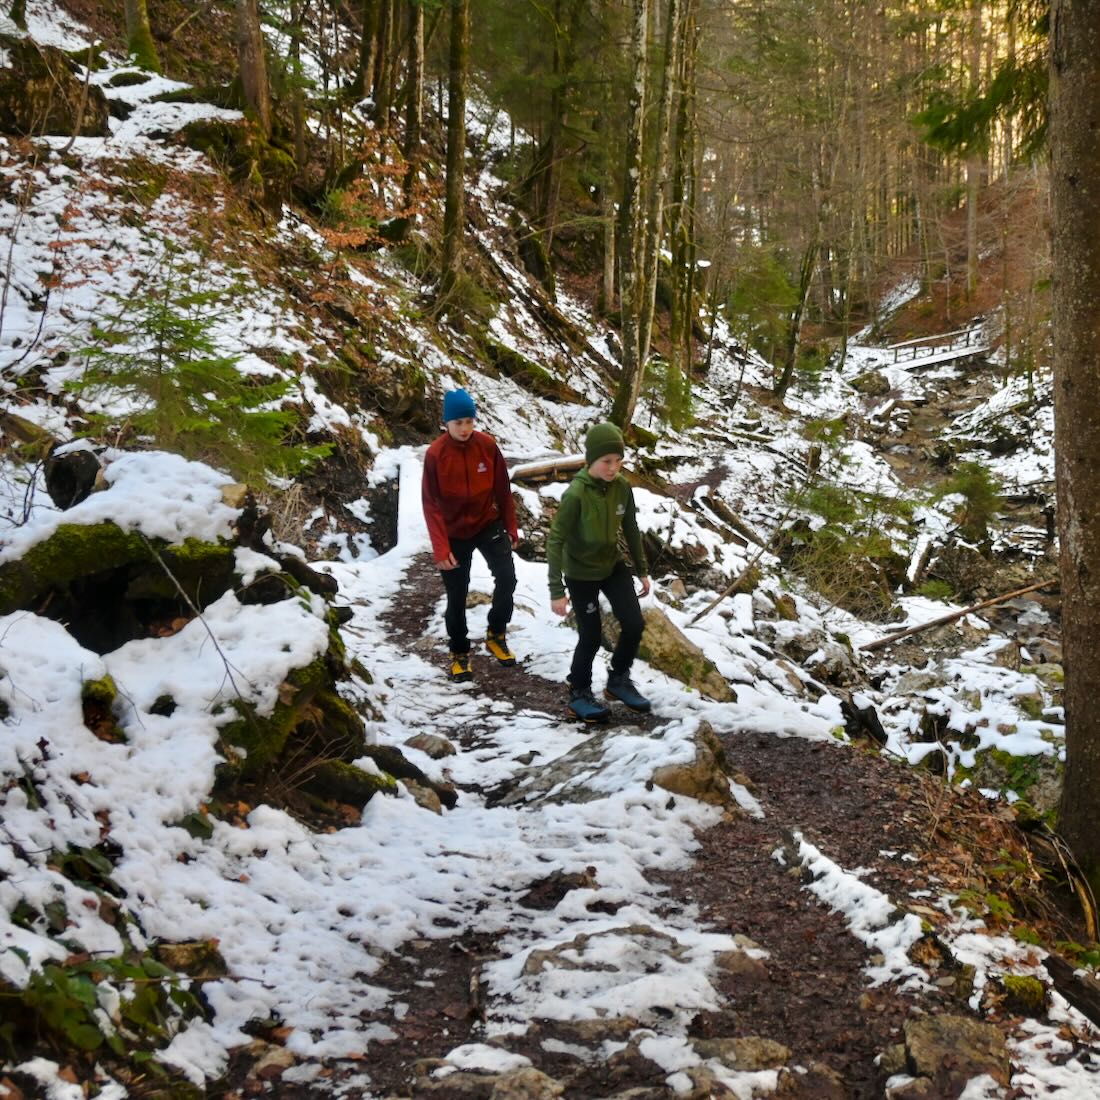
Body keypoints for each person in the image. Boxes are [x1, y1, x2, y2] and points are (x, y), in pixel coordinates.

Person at [547, 421, 652, 722]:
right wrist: (557, 590)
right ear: (591, 460)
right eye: (607, 461)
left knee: (634, 624)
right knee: (591, 637)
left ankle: (618, 680)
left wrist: (642, 570)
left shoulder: (621, 488)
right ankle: (578, 692)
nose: (613, 467)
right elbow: (555, 540)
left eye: (618, 461)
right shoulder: (576, 495)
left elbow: (631, 528)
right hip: (580, 573)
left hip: (611, 565)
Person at [422, 388, 519, 681]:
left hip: (486, 523)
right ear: (446, 424)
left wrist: (511, 526)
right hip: (454, 532)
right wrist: (440, 547)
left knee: (507, 578)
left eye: (469, 421)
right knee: (457, 594)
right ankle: (460, 652)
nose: (465, 429)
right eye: (458, 423)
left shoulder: (487, 446)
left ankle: (496, 633)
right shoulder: (436, 455)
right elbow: (430, 503)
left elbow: (503, 489)